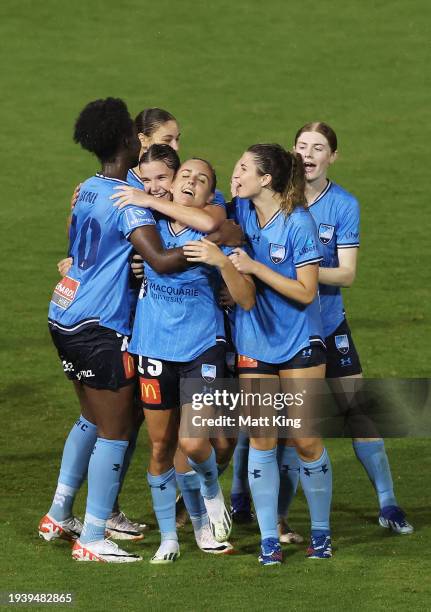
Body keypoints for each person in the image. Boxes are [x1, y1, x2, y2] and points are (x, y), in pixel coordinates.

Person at [39, 97, 193, 563]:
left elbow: (79, 241)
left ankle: (60, 513)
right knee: (116, 428)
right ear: (130, 140)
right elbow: (163, 260)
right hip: (99, 323)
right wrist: (209, 248)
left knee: (92, 417)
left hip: (65, 311)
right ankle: (93, 536)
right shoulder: (129, 200)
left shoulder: (88, 186)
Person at [122, 157, 255, 563]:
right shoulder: (148, 222)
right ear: (174, 184)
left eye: (201, 180)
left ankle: (212, 489)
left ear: (209, 194)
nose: (191, 181)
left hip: (202, 345)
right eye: (186, 175)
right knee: (161, 446)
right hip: (154, 346)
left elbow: (246, 290)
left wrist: (229, 280)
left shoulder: (218, 230)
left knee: (194, 441)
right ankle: (175, 536)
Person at [289, 122, 413, 535]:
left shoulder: (343, 204)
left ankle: (388, 502)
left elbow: (346, 274)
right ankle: (245, 502)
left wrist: (299, 271)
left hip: (327, 324)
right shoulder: (273, 198)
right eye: (303, 146)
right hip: (283, 331)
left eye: (318, 148)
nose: (308, 154)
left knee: (357, 412)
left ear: (332, 157)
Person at [228, 144, 333, 565]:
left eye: (241, 168)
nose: (233, 175)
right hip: (254, 343)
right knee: (262, 439)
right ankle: (269, 537)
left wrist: (255, 268)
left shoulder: (298, 224)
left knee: (306, 439)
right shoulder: (237, 211)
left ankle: (321, 533)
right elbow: (189, 203)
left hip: (300, 344)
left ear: (265, 179)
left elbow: (307, 292)